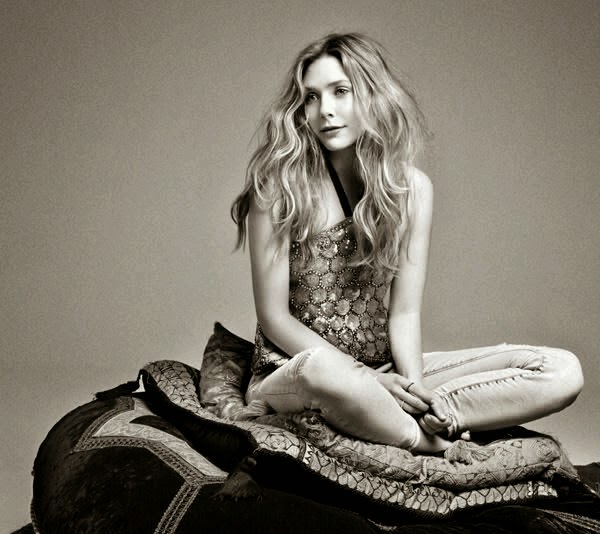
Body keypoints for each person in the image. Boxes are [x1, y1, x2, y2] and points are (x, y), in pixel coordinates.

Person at [230, 32, 583, 453]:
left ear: (372, 95)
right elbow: (274, 319)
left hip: (386, 373)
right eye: (311, 97)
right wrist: (365, 378)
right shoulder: (279, 188)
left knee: (559, 370)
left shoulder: (412, 189)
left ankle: (424, 419)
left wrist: (415, 391)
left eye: (341, 91)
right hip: (297, 373)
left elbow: (405, 312)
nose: (325, 110)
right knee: (320, 370)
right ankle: (428, 444)